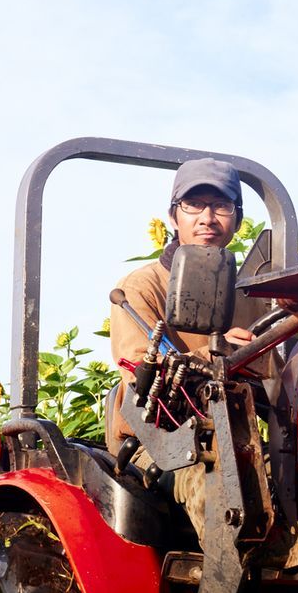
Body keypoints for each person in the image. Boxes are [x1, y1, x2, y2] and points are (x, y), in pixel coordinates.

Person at [108, 157, 253, 546]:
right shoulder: (141, 287)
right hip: (161, 439)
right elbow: (142, 370)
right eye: (194, 205)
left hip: (239, 434)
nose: (207, 217)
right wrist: (214, 354)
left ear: (237, 221)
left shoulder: (252, 293)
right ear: (174, 217)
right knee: (222, 494)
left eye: (221, 206)